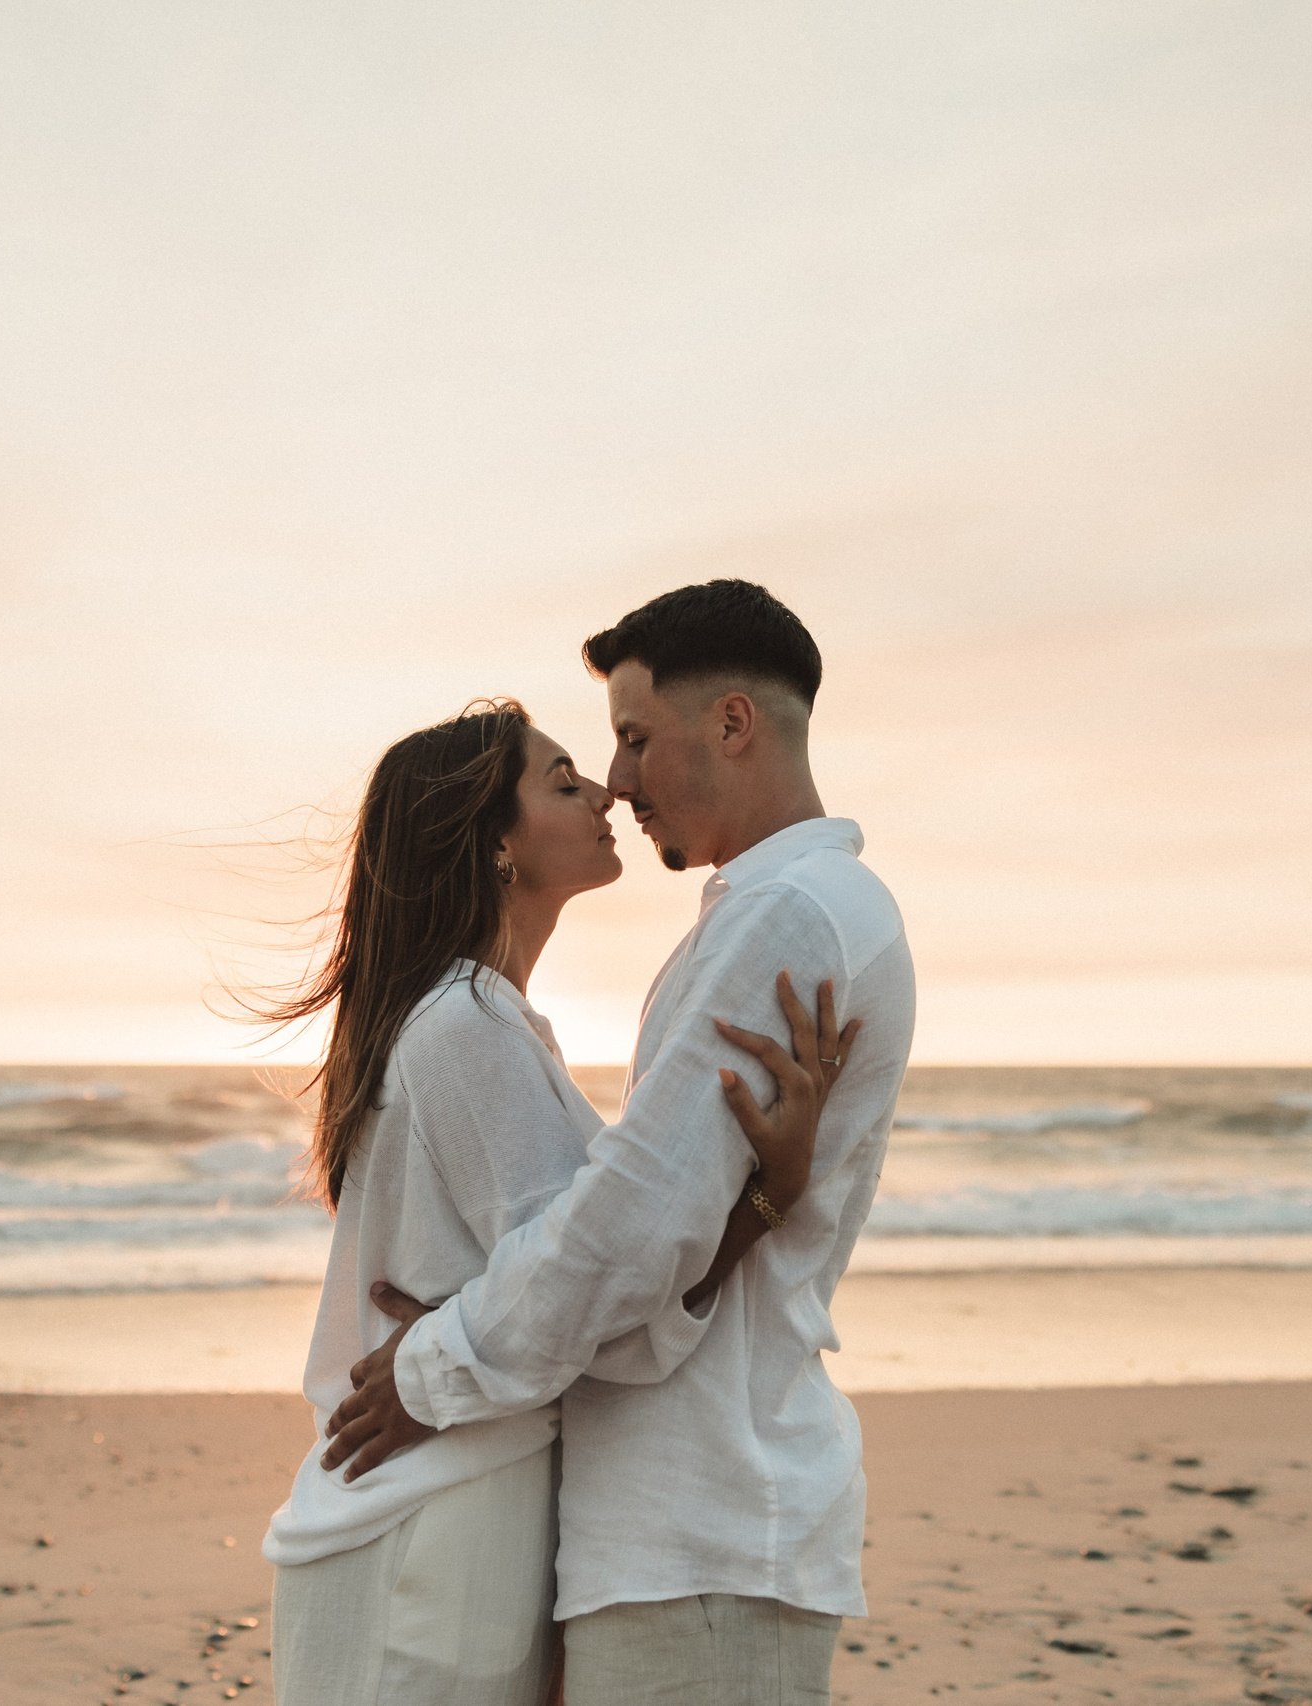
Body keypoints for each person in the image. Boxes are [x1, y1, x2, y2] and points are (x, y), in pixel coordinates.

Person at [326, 581, 917, 1705]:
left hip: (701, 1518)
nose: (620, 778)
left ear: (732, 723)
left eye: (635, 738)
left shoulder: (786, 915)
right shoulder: (773, 912)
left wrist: (431, 1368)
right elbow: (629, 1223)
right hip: (680, 1529)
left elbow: (624, 1233)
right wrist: (756, 1205)